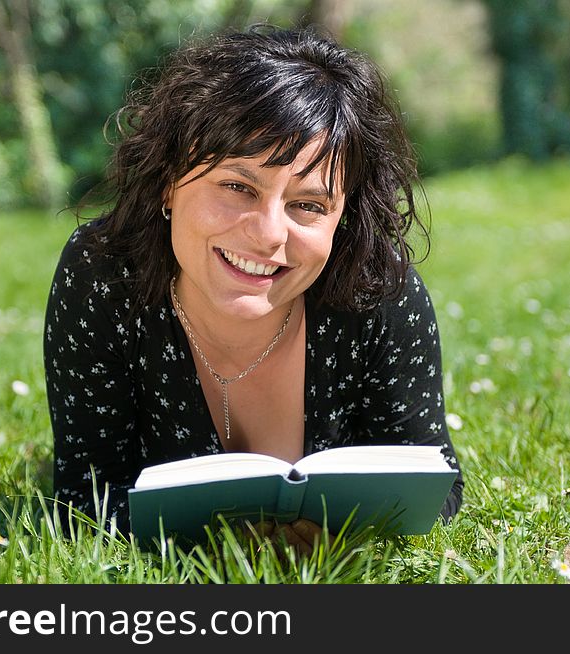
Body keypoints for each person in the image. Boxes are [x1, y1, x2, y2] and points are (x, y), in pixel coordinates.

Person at [43, 25, 464, 551]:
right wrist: (233, 545)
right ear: (169, 180)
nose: (268, 234)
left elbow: (437, 490)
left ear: (344, 220)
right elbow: (83, 505)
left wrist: (336, 536)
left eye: (308, 205)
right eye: (239, 186)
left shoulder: (378, 288)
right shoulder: (102, 277)